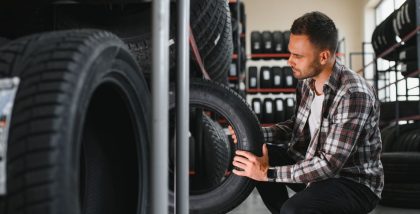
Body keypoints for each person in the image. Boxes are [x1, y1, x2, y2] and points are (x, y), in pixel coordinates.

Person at [232, 11, 384, 214]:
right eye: (290, 52)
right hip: (316, 169)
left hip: (353, 182)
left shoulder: (353, 93)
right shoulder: (306, 82)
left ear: (323, 56)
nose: (289, 61)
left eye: (297, 55)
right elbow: (296, 125)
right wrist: (253, 132)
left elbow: (330, 164)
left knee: (294, 209)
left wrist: (267, 173)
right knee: (256, 151)